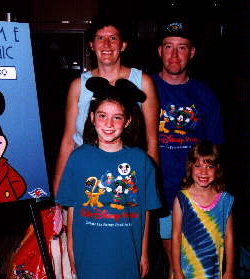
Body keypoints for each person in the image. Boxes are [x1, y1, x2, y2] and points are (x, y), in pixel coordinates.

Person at [55, 77, 161, 279]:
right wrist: (71, 250)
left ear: (128, 120)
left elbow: (146, 211)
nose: (109, 124)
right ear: (92, 117)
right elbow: (72, 208)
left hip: (127, 253)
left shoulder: (141, 161)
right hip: (89, 252)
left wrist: (144, 253)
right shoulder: (78, 158)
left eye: (117, 117)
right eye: (103, 116)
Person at [53, 15, 159, 196]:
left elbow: (152, 141)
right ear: (91, 45)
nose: (107, 45)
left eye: (113, 38)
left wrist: (150, 188)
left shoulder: (143, 82)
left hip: (126, 176)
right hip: (85, 174)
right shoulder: (78, 85)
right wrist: (57, 188)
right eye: (100, 38)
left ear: (123, 45)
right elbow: (68, 140)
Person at [152, 20, 225, 277]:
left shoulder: (205, 95)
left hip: (196, 194)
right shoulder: (145, 89)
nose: (174, 54)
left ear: (191, 53)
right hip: (158, 194)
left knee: (196, 264)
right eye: (168, 47)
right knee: (173, 267)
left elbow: (215, 152)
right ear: (159, 50)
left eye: (182, 48)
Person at [172, 140, 234, 279]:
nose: (203, 172)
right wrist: (177, 271)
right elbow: (175, 236)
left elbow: (229, 236)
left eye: (209, 166)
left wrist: (229, 271)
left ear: (217, 168)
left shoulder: (225, 200)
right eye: (198, 166)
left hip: (213, 271)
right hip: (187, 271)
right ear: (190, 167)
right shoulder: (182, 199)